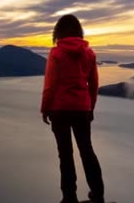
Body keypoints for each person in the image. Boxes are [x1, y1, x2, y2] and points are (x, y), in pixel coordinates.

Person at [40, 14, 105, 203]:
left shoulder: (56, 53)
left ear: (58, 32)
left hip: (59, 110)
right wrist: (90, 108)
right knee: (87, 150)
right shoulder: (89, 54)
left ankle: (69, 197)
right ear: (79, 31)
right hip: (82, 109)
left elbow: (50, 84)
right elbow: (93, 85)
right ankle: (98, 195)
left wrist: (45, 109)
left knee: (65, 155)